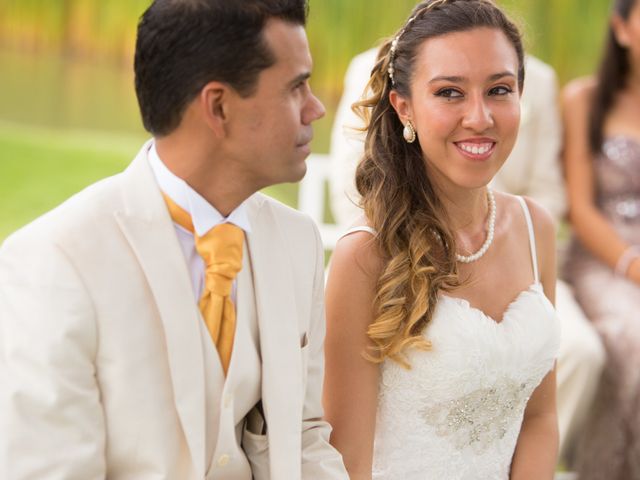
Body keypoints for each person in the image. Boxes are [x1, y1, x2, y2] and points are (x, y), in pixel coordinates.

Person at [0, 1, 349, 479]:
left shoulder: (297, 242)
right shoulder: (54, 262)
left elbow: (303, 438)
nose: (316, 107)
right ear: (219, 106)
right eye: (295, 87)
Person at [329, 47, 604, 466]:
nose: (479, 117)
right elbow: (345, 461)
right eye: (449, 93)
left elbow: (540, 418)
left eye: (498, 89)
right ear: (404, 107)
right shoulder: (365, 255)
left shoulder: (535, 229)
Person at [562, 0, 640, 477]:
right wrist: (632, 263)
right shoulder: (584, 99)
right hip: (603, 256)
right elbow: (580, 208)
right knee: (631, 336)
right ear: (622, 29)